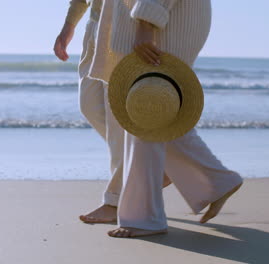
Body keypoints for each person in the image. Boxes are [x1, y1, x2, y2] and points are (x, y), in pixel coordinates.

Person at [79, 0, 244, 238]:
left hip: (161, 19)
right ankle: (216, 181)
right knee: (149, 111)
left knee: (148, 109)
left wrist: (147, 24)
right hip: (152, 16)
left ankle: (145, 218)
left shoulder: (149, 23)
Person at [54, 0, 172, 224]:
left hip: (127, 28)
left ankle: (115, 201)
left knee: (118, 120)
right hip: (95, 30)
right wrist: (68, 28)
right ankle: (154, 166)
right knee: (89, 106)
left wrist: (146, 27)